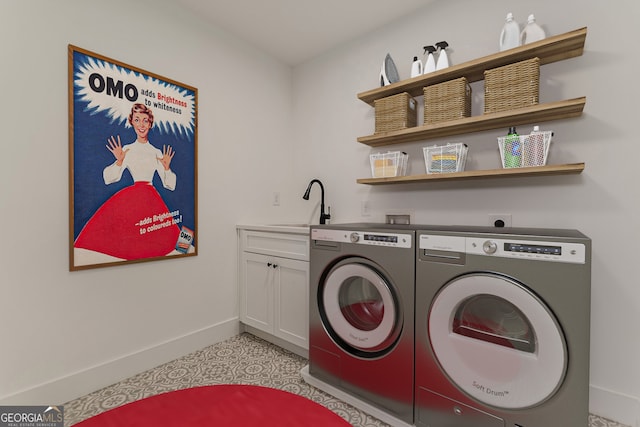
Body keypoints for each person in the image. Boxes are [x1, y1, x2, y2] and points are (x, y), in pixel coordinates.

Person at [74, 103, 181, 260]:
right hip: (132, 198)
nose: (141, 125)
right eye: (137, 120)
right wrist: (118, 161)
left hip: (151, 199)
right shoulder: (128, 149)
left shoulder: (156, 152)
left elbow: (170, 185)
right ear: (132, 122)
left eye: (145, 120)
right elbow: (109, 178)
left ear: (150, 124)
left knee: (172, 243)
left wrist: (166, 168)